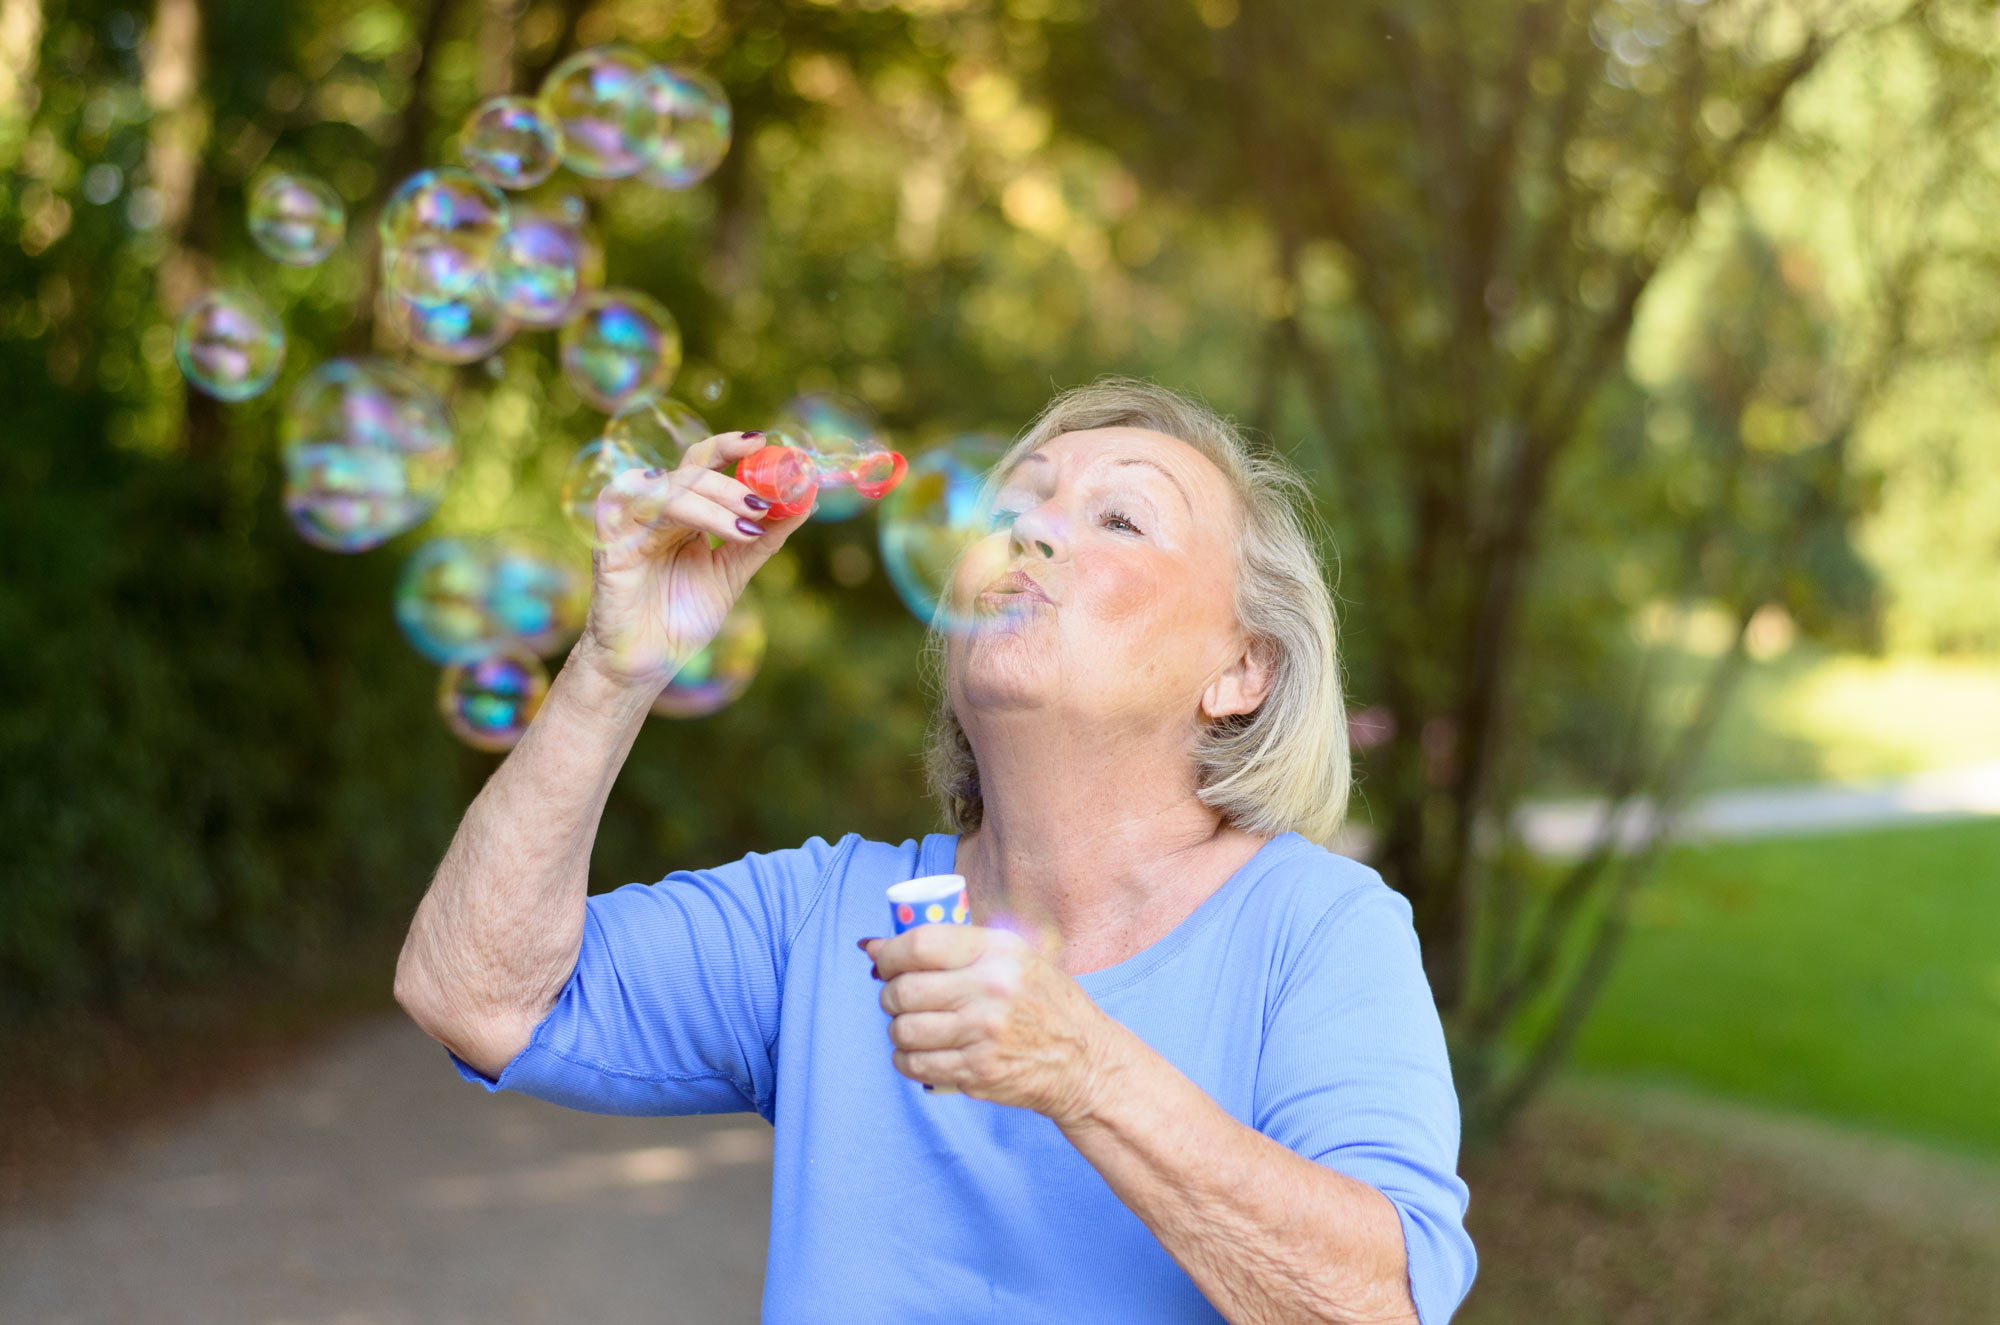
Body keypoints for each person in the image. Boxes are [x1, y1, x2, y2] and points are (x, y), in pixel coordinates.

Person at [394, 378, 1477, 1323]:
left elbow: (1369, 1308)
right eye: (1011, 506)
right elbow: (474, 992)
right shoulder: (825, 914)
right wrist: (611, 666)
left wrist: (1081, 1067)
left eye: (1120, 519)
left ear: (1241, 669)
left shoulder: (1319, 930)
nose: (1031, 534)